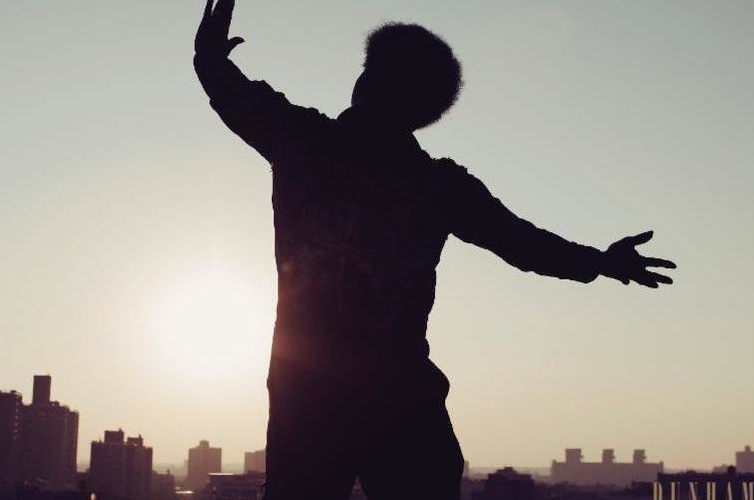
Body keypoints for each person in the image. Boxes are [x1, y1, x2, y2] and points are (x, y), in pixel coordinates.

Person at [193, 1, 676, 499]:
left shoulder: (304, 142)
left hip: (313, 400)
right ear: (426, 112)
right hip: (398, 400)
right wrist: (602, 262)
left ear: (367, 85)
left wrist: (209, 56)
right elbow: (525, 245)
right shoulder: (436, 185)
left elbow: (230, 91)